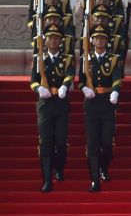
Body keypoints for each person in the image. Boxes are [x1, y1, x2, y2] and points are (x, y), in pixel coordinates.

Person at [78, 25, 123, 192]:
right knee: (92, 143)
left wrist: (115, 91)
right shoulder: (86, 59)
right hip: (91, 103)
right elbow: (81, 80)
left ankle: (104, 166)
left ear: (106, 41)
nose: (99, 40)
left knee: (106, 142)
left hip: (107, 103)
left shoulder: (113, 59)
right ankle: (94, 180)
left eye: (102, 38)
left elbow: (117, 78)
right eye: (96, 38)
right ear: (92, 40)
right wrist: (84, 88)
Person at [31, 25, 75, 193]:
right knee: (45, 142)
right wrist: (38, 89)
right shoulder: (39, 59)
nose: (53, 40)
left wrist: (65, 86)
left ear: (60, 40)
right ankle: (47, 180)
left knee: (61, 142)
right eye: (50, 37)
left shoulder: (67, 59)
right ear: (45, 40)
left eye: (56, 38)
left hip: (61, 104)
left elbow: (69, 74)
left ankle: (59, 168)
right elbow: (33, 80)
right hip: (45, 106)